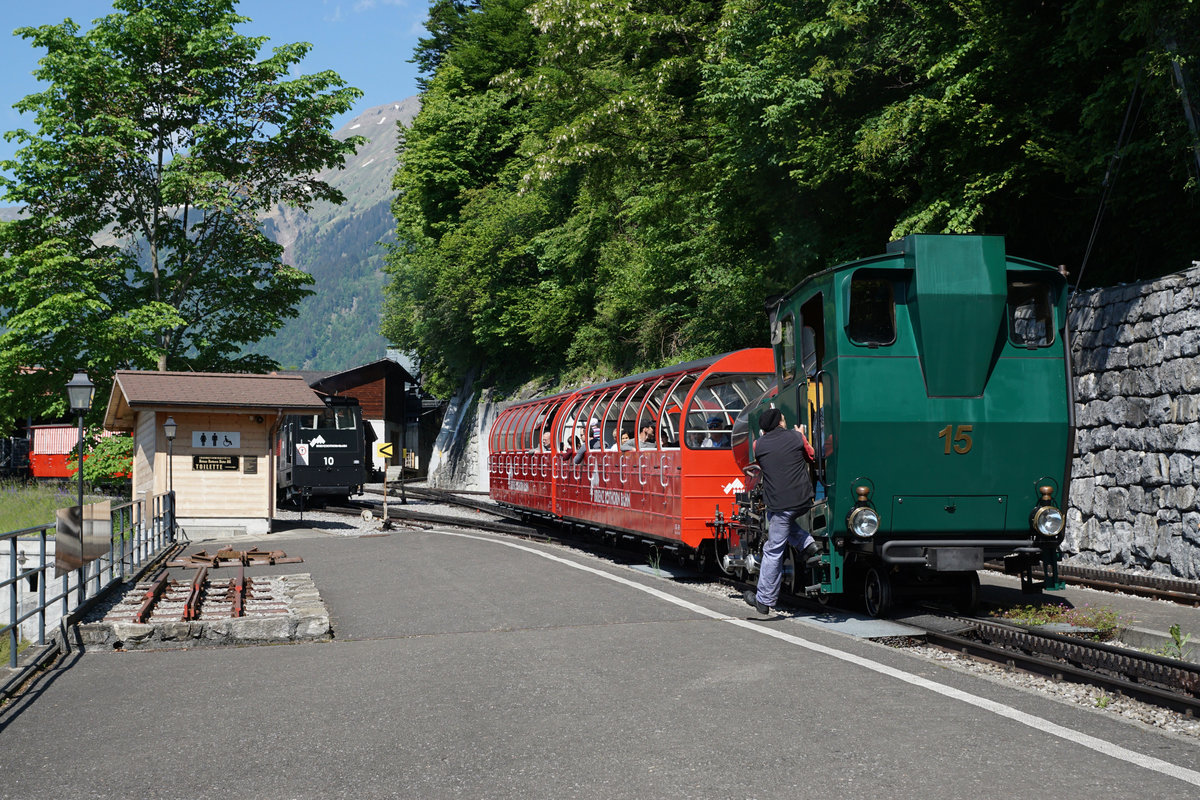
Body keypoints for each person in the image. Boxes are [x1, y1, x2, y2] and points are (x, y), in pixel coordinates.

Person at [743, 407, 819, 615]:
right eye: (783, 419)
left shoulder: (758, 445)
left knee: (773, 549)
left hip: (780, 503)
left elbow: (764, 464)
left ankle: (763, 601)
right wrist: (802, 435)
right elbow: (811, 456)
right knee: (783, 522)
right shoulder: (796, 437)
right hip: (804, 499)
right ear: (780, 423)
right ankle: (809, 545)